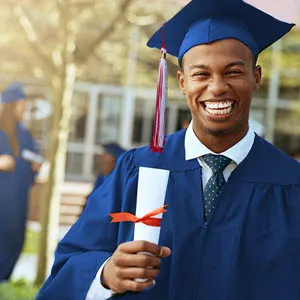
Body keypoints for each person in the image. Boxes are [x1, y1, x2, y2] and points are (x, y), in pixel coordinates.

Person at [37, 0, 300, 299]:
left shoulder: (291, 183)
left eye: (233, 72)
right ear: (182, 82)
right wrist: (107, 273)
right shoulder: (137, 168)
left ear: (256, 78)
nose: (217, 87)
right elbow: (72, 260)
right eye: (201, 74)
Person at [0, 82, 42, 281]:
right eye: (21, 103)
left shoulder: (24, 134)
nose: (24, 107)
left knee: (15, 238)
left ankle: (3, 279)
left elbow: (30, 164)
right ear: (11, 105)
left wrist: (34, 168)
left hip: (17, 200)